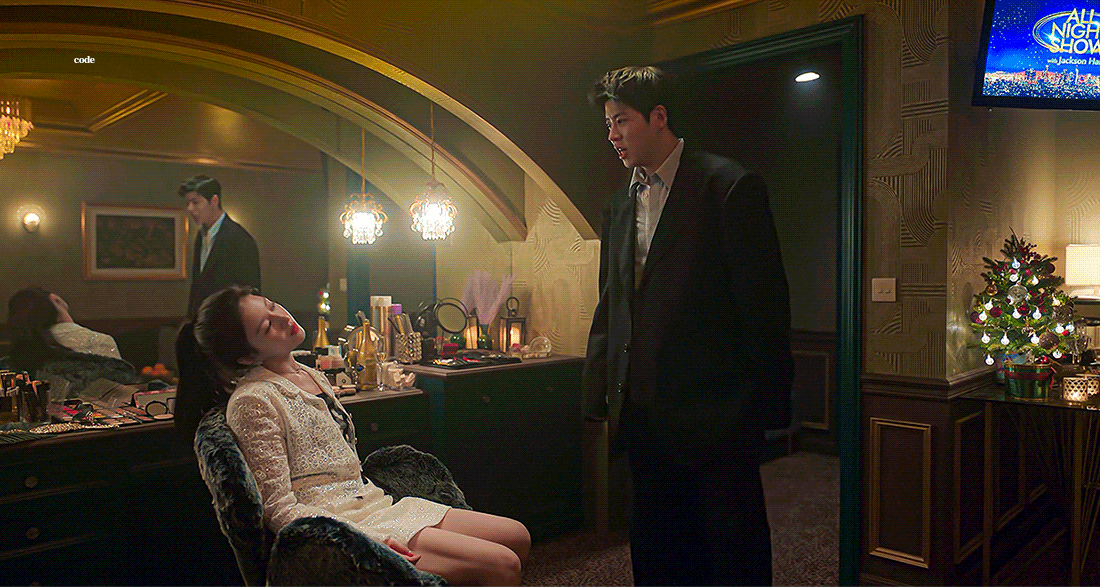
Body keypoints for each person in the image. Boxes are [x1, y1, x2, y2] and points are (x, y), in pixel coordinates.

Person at [583, 66, 794, 586]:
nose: (612, 135)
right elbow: (613, 302)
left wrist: (768, 407)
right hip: (644, 415)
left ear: (658, 117)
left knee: (731, 551)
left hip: (717, 415)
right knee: (658, 550)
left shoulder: (728, 186)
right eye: (608, 124)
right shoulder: (621, 200)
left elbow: (765, 305)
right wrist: (600, 392)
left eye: (621, 121)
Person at [175, 286, 529, 585]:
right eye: (268, 326)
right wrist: (366, 542)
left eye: (272, 305)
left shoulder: (311, 374)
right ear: (245, 356)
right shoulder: (253, 400)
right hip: (341, 527)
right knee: (503, 564)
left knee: (518, 537)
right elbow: (279, 509)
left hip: (374, 501)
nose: (283, 317)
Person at [180, 175, 261, 317]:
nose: (190, 209)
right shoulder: (200, 237)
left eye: (195, 202)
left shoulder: (240, 239)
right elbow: (197, 288)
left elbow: (249, 295)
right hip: (201, 323)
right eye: (188, 203)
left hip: (226, 324)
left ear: (214, 201)